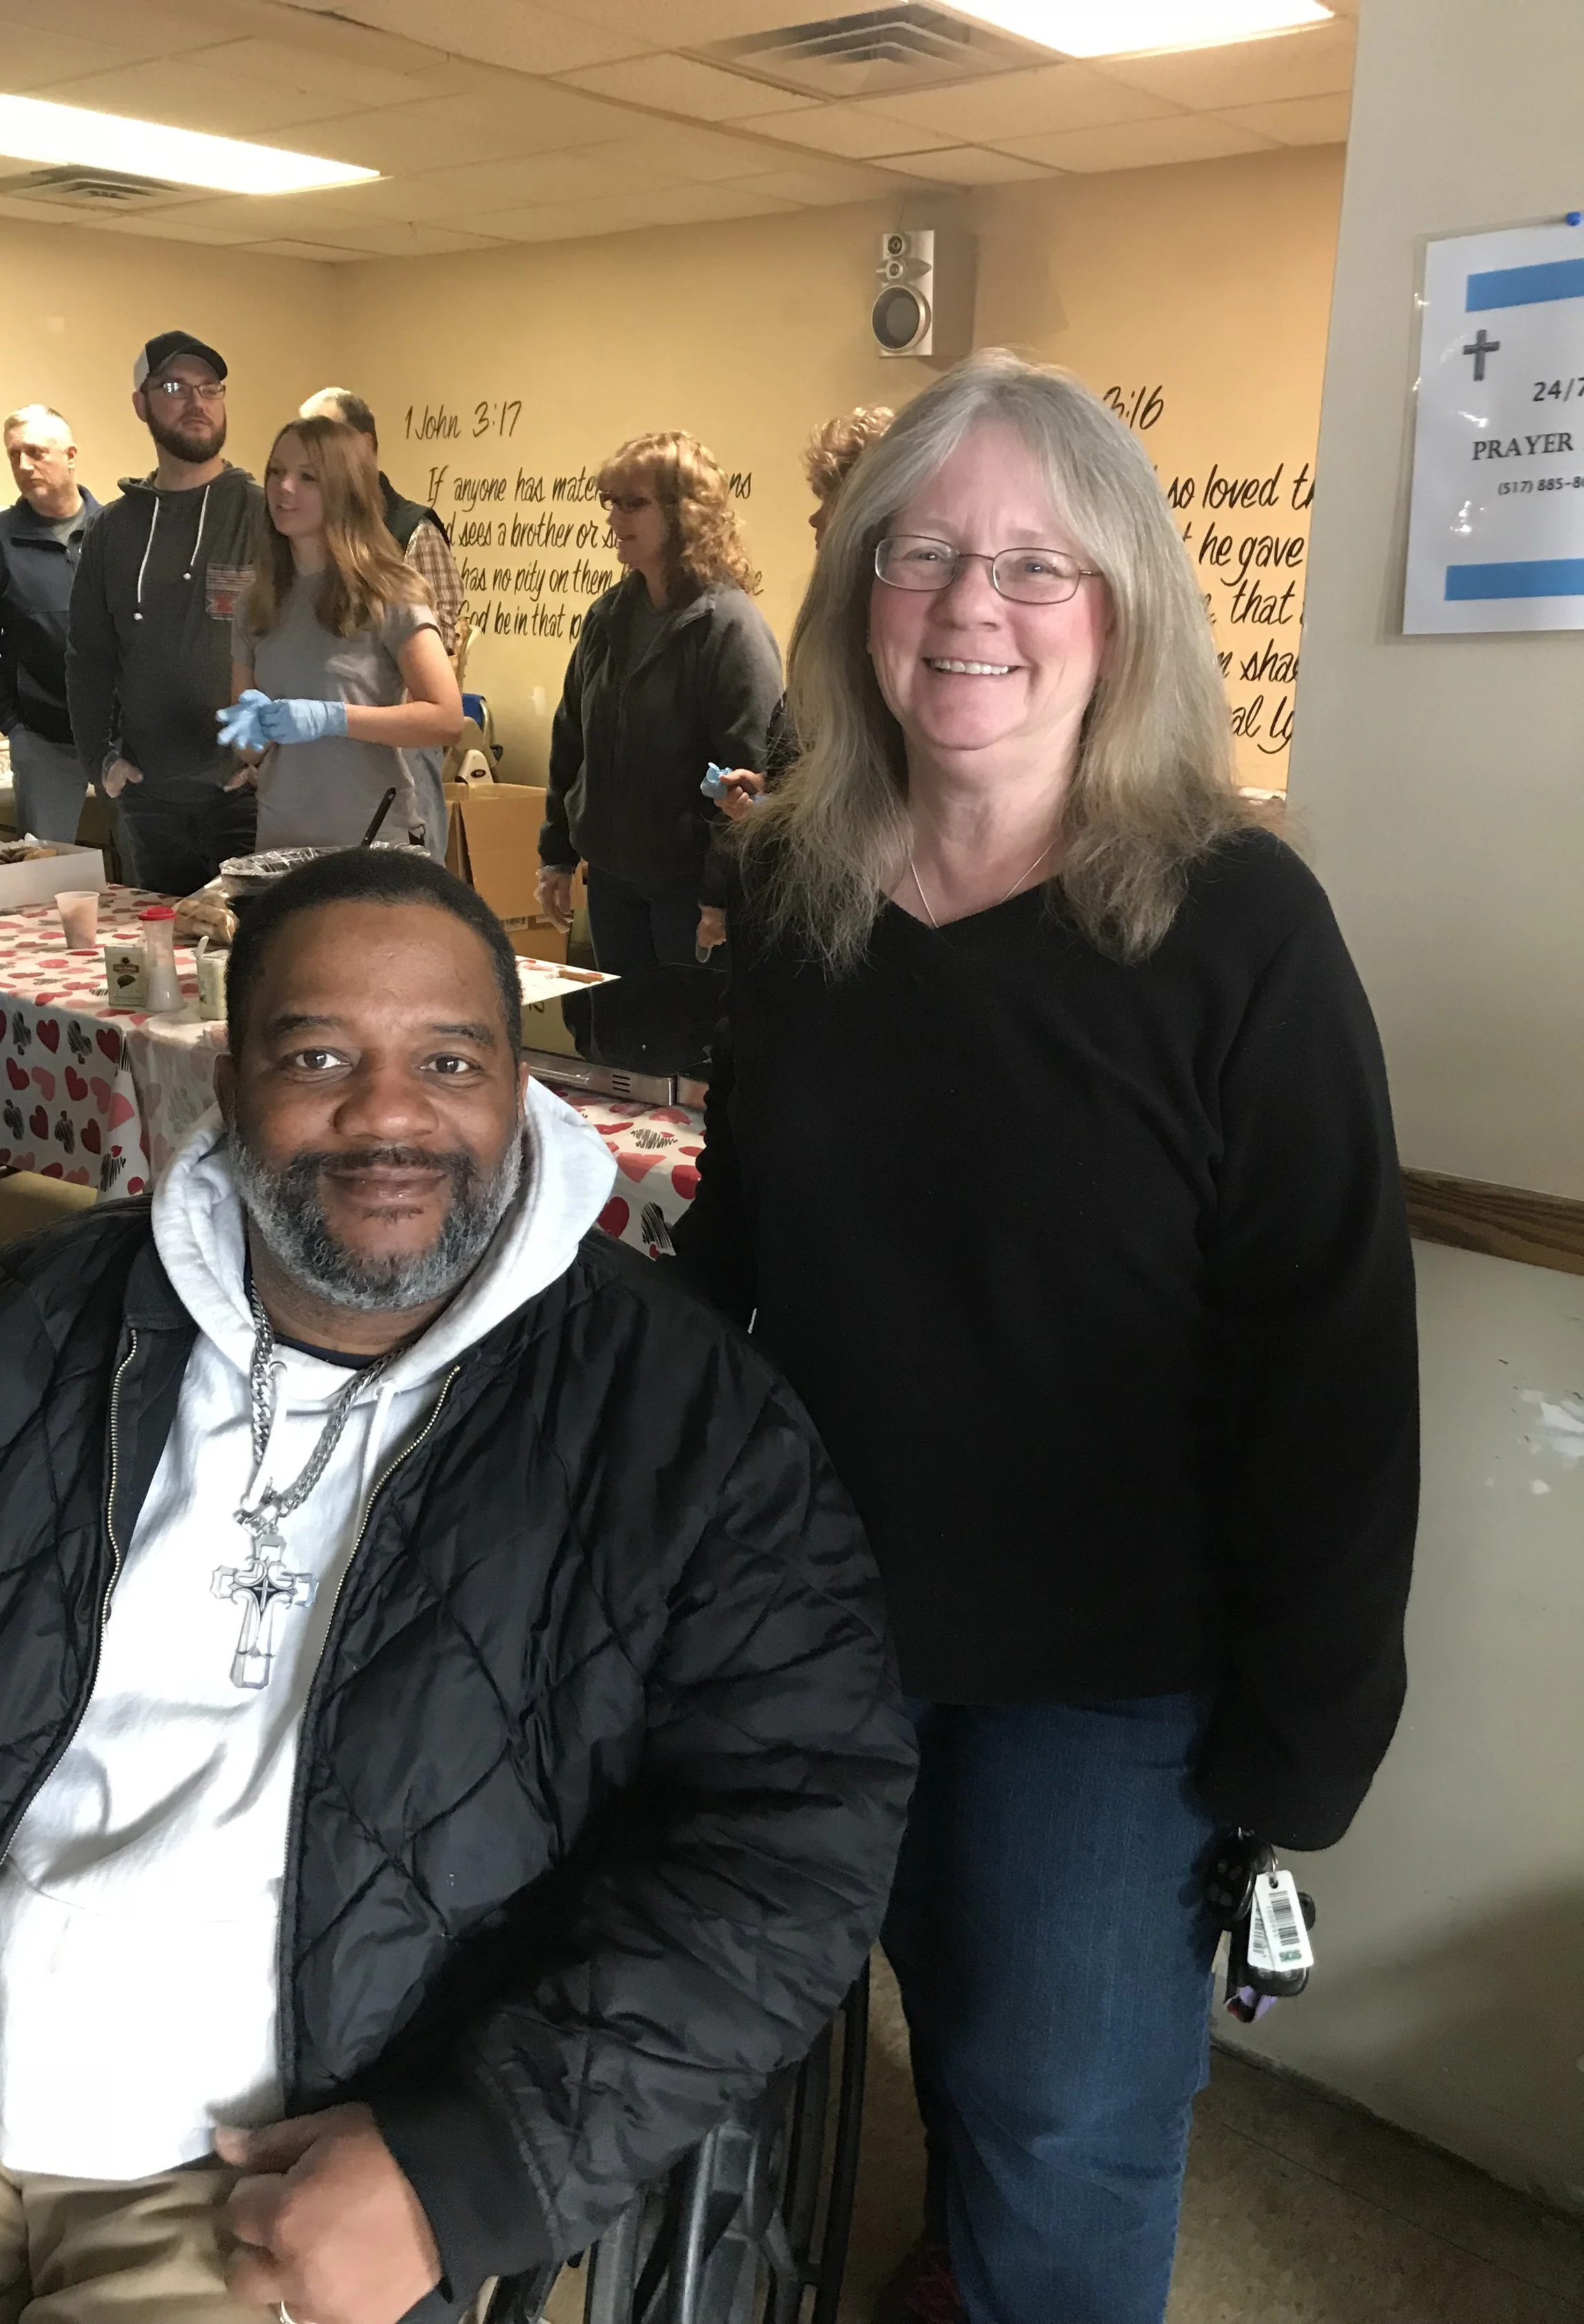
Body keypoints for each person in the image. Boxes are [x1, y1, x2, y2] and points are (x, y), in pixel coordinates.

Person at [0, 844, 914, 2322]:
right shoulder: (11, 1331)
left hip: (290, 2158)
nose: (387, 1112)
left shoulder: (688, 1431)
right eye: (319, 1053)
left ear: (516, 1090)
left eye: (449, 1058)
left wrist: (470, 2164)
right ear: (227, 1084)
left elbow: (797, 1828)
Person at [672, 350, 1419, 2324]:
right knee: (912, 2026)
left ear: (1123, 614)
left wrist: (1306, 1729)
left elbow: (1330, 1357)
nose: (970, 605)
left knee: (1063, 2100)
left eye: (1034, 563)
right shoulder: (795, 891)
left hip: (1114, 1676)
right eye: (921, 553)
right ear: (855, 600)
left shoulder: (1239, 927)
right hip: (821, 1631)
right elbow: (735, 1250)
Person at [536, 432, 781, 975]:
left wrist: (719, 896)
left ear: (683, 513)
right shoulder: (607, 617)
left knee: (682, 1049)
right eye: (611, 503)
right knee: (619, 1044)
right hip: (612, 882)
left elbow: (750, 775)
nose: (614, 518)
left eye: (633, 503)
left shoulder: (728, 627)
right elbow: (572, 739)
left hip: (690, 894)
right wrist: (557, 853)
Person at [67, 330, 264, 895]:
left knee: (253, 964)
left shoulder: (262, 514)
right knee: (161, 967)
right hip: (147, 802)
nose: (197, 403)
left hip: (244, 796)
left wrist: (274, 763)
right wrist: (100, 764)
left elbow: (303, 644)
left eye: (211, 388)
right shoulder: (113, 528)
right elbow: (88, 658)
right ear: (141, 404)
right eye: (176, 387)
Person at [699, 405, 895, 948]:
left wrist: (778, 815)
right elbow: (825, 782)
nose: (814, 521)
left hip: (851, 926)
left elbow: (874, 808)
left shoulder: (896, 645)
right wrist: (768, 799)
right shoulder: (838, 625)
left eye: (826, 503)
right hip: (800, 904)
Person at [222, 416, 462, 856]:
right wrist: (251, 731)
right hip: (280, 841)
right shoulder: (255, 605)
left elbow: (445, 719)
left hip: (369, 839)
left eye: (307, 477)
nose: (283, 488)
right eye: (276, 472)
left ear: (344, 490)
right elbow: (249, 751)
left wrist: (333, 718)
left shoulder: (391, 593)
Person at [0, 402, 100, 842]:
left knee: (146, 867)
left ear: (70, 455)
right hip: (43, 740)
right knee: (44, 870)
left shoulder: (113, 530)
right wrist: (14, 724)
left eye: (36, 452)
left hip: (123, 739)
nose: (24, 465)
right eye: (14, 455)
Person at [300, 386, 464, 637]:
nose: (314, 455)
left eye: (326, 440)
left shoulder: (414, 531)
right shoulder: (303, 525)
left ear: (365, 443)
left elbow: (437, 635)